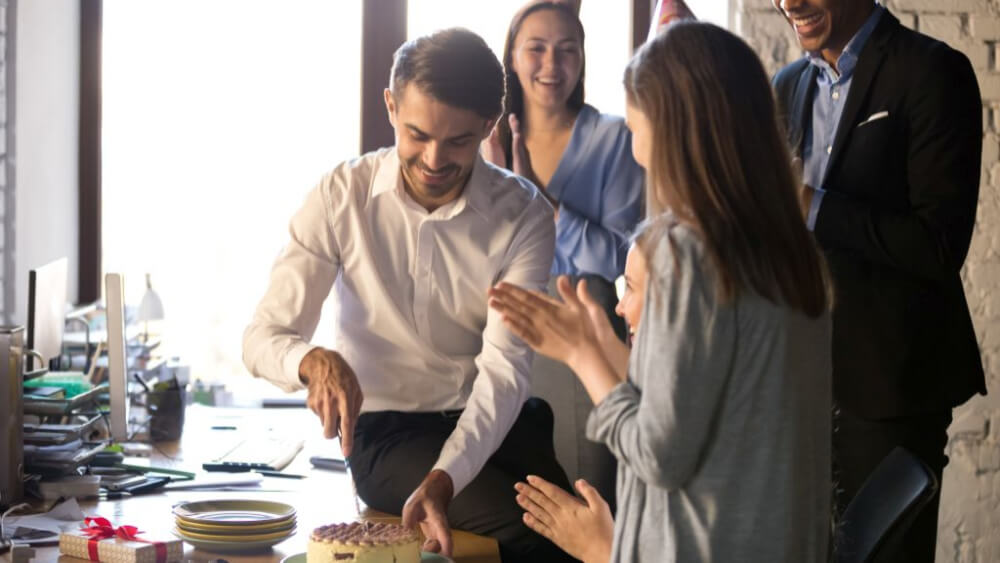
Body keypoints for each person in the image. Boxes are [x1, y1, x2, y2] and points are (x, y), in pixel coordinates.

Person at [489, 22, 834, 562]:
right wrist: (603, 344)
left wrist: (581, 355)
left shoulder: (687, 250)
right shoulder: (788, 250)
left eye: (636, 125)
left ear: (672, 125)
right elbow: (708, 407)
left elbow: (659, 454)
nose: (634, 145)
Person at [242, 28, 575, 563]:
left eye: (459, 141)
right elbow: (261, 338)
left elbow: (504, 372)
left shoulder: (524, 216)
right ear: (391, 107)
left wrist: (446, 478)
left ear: (489, 126)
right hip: (390, 435)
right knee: (532, 535)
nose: (434, 159)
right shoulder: (339, 197)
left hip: (498, 422)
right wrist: (311, 360)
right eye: (417, 134)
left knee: (585, 537)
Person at [771, 1, 986, 560]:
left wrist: (812, 205)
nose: (789, 2)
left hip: (891, 386)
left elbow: (939, 245)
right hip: (800, 385)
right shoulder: (786, 84)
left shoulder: (933, 71)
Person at [481, 0, 644, 507]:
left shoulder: (614, 138)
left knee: (584, 497)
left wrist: (546, 205)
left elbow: (622, 255)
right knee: (513, 509)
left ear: (582, 58)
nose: (552, 65)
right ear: (511, 54)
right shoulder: (485, 137)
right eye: (536, 49)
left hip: (583, 345)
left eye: (566, 50)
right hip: (495, 341)